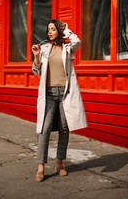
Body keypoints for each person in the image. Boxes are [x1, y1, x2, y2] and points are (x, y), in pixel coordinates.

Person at [32, 19, 87, 182]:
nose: (49, 32)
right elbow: (36, 71)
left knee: (64, 128)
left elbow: (77, 40)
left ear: (59, 31)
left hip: (65, 93)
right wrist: (36, 57)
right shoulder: (44, 48)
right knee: (44, 128)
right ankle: (40, 166)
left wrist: (66, 30)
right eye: (48, 29)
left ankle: (59, 164)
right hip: (48, 93)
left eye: (52, 29)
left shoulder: (68, 48)